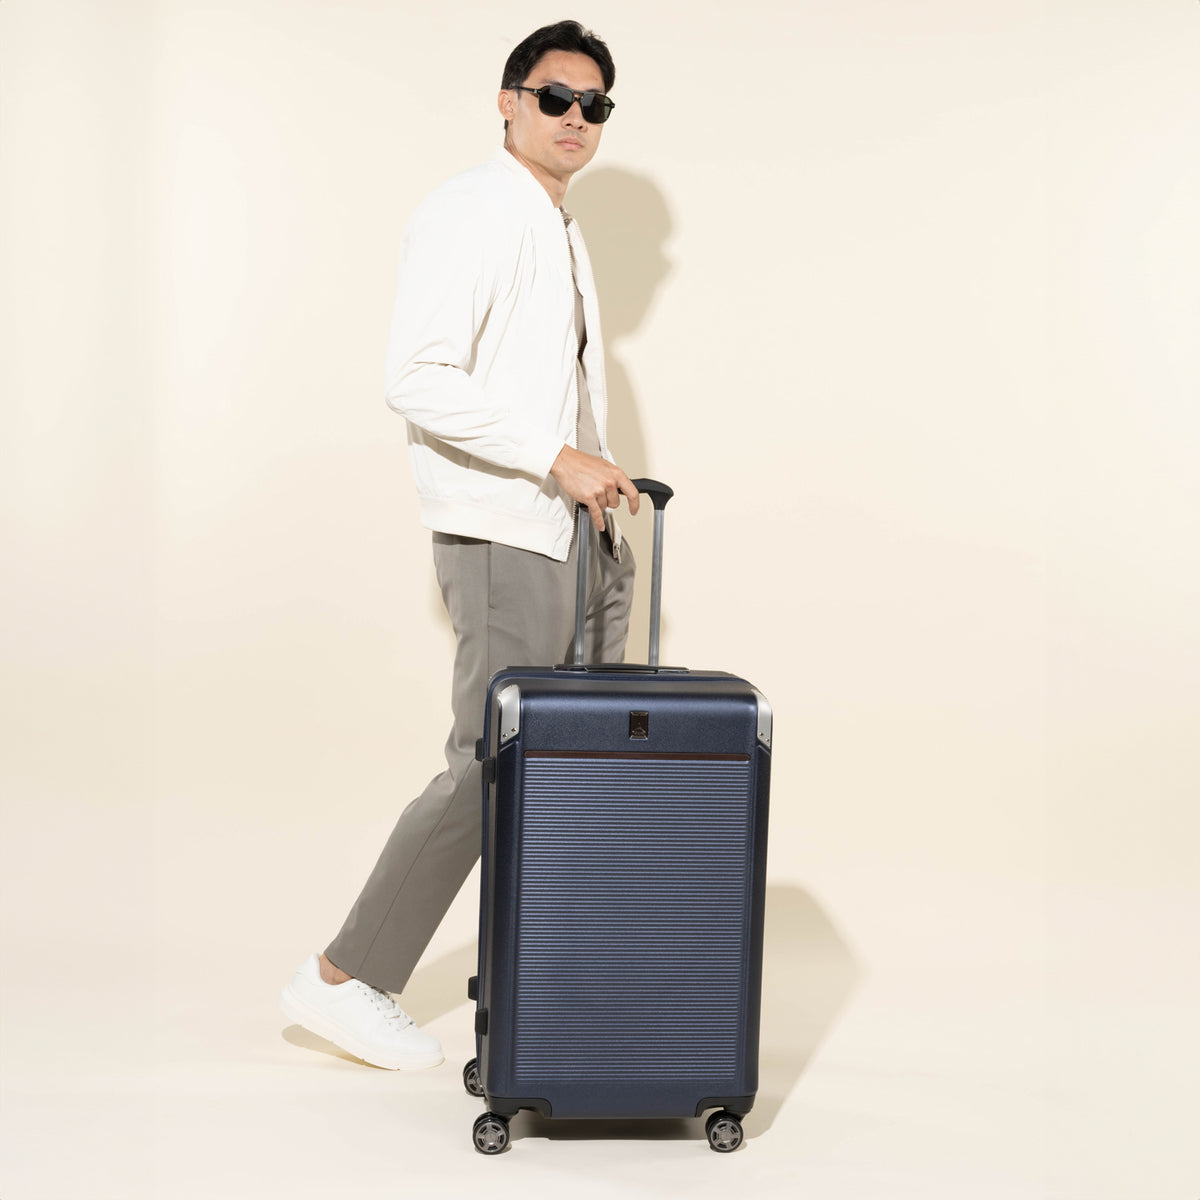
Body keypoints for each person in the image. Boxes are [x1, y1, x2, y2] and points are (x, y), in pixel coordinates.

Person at [279, 20, 640, 1070]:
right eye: (555, 96)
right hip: (503, 529)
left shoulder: (554, 223)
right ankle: (342, 978)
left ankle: (546, 978)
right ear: (507, 100)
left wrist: (599, 480)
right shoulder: (474, 210)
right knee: (492, 760)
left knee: (567, 763)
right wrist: (555, 461)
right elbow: (419, 377)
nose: (576, 118)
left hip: (571, 531)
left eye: (595, 106)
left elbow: (548, 382)